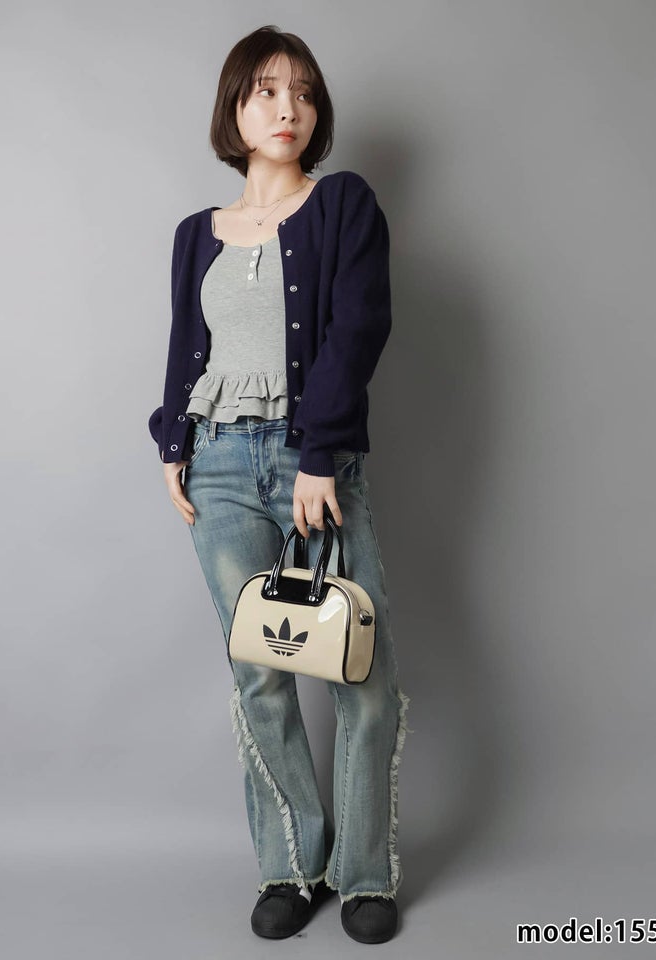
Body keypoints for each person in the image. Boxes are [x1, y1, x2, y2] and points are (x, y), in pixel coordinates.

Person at [147, 25, 410, 945]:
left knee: (358, 670)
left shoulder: (342, 205)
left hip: (311, 461)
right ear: (235, 107)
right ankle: (292, 866)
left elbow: (357, 329)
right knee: (259, 673)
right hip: (217, 467)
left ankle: (365, 876)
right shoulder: (196, 235)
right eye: (265, 90)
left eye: (302, 91)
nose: (287, 107)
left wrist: (319, 454)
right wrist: (172, 443)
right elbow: (188, 348)